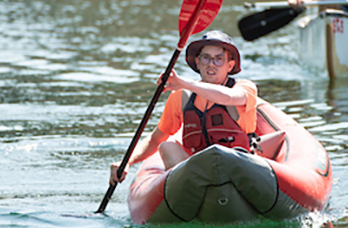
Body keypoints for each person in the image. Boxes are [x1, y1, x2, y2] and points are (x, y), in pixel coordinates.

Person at [110, 31, 258, 185]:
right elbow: (155, 139)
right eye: (205, 58)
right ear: (198, 62)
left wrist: (184, 83)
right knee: (166, 146)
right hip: (199, 174)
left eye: (219, 59)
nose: (211, 64)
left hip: (239, 167)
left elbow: (228, 97)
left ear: (230, 65)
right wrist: (126, 161)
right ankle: (189, 192)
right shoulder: (182, 96)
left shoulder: (245, 87)